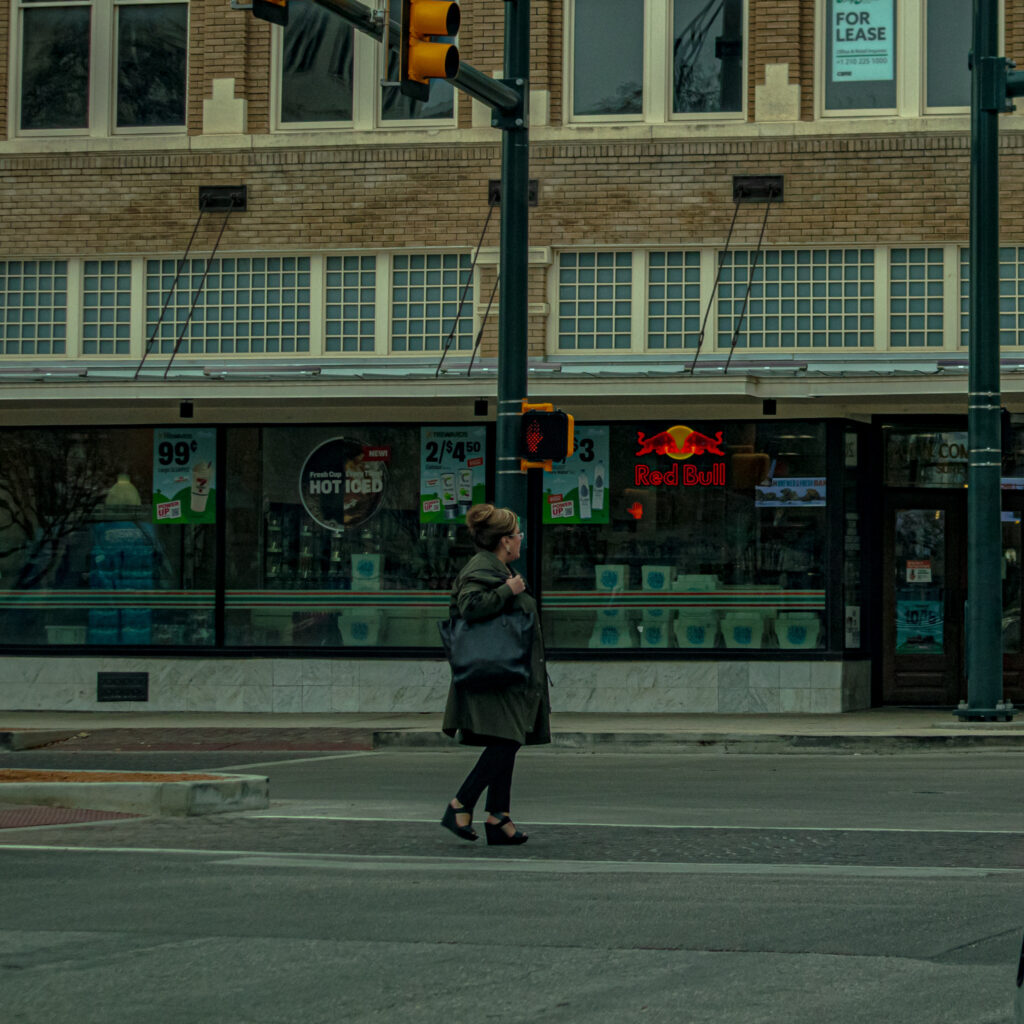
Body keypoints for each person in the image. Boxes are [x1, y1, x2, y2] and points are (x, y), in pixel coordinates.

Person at [440, 503, 551, 846]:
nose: (521, 541)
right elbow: (470, 606)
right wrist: (508, 591)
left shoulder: (497, 567)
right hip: (493, 672)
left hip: (507, 673)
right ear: (505, 541)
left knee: (508, 739)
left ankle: (498, 816)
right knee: (507, 739)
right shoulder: (482, 569)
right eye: (518, 535)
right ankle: (461, 804)